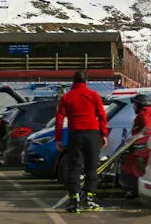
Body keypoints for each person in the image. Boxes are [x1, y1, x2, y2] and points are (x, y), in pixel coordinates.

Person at [55, 70, 109, 213]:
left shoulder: (66, 98)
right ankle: (89, 199)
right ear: (86, 81)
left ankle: (74, 201)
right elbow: (102, 115)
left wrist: (58, 138)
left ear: (73, 81)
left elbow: (59, 119)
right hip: (92, 134)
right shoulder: (93, 95)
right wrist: (104, 134)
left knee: (74, 167)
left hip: (75, 134)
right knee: (92, 167)